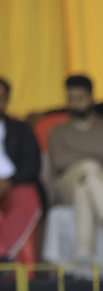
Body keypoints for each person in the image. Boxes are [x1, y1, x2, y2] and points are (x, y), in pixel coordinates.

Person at [48, 75, 103, 262]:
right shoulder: (57, 131)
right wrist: (93, 159)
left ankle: (83, 251)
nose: (75, 104)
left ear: (92, 98)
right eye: (71, 99)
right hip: (67, 185)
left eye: (80, 98)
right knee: (88, 168)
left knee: (85, 186)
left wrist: (76, 156)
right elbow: (59, 161)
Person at [0, 77, 42, 260]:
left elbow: (32, 164)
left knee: (28, 200)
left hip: (14, 183)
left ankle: (2, 253)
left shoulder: (20, 129)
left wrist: (9, 182)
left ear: (7, 101)